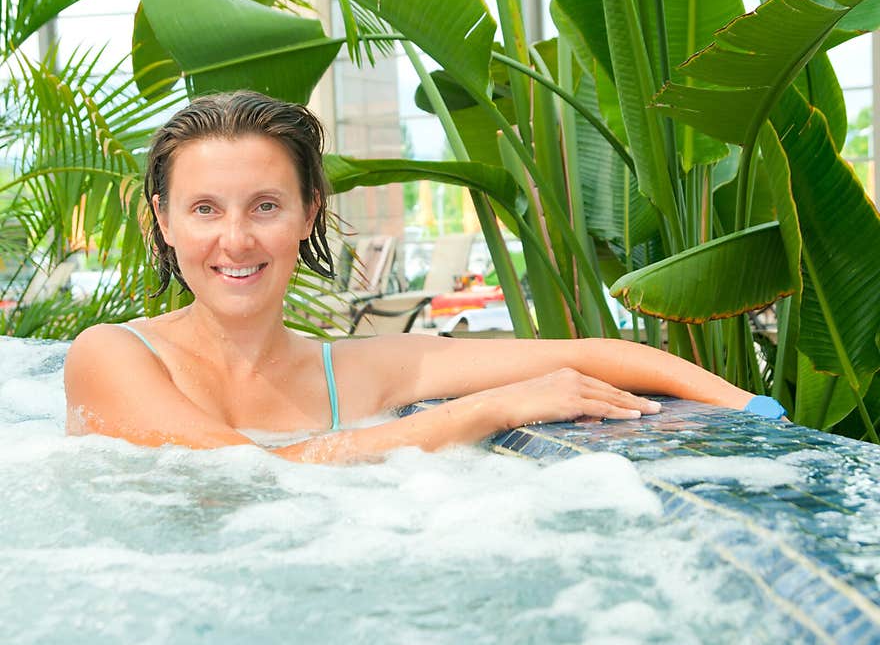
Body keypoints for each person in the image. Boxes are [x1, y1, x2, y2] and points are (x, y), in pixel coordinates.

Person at [64, 91, 771, 465]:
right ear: (163, 220)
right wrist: (484, 410)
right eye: (205, 210)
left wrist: (755, 413)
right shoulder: (111, 356)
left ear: (309, 213)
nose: (236, 239)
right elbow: (252, 476)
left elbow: (584, 354)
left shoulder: (355, 372)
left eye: (266, 206)